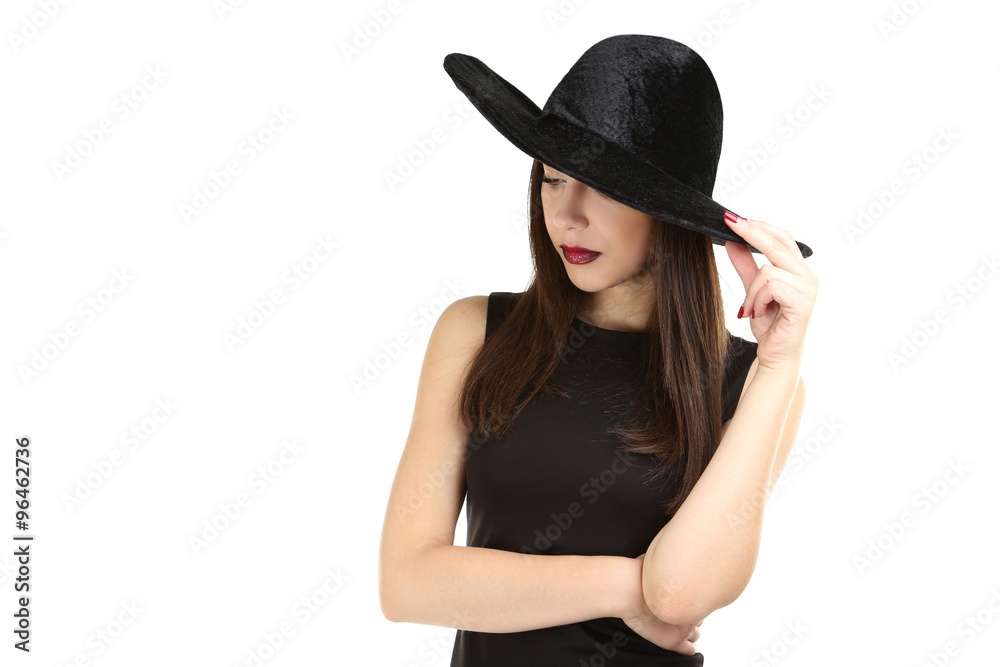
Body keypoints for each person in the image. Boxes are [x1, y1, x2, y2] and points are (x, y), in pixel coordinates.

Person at [378, 34, 816, 665]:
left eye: (603, 187)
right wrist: (627, 587)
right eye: (553, 179)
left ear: (664, 210)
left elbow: (683, 592)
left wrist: (778, 363)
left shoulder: (752, 383)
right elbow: (407, 584)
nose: (567, 215)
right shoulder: (475, 333)